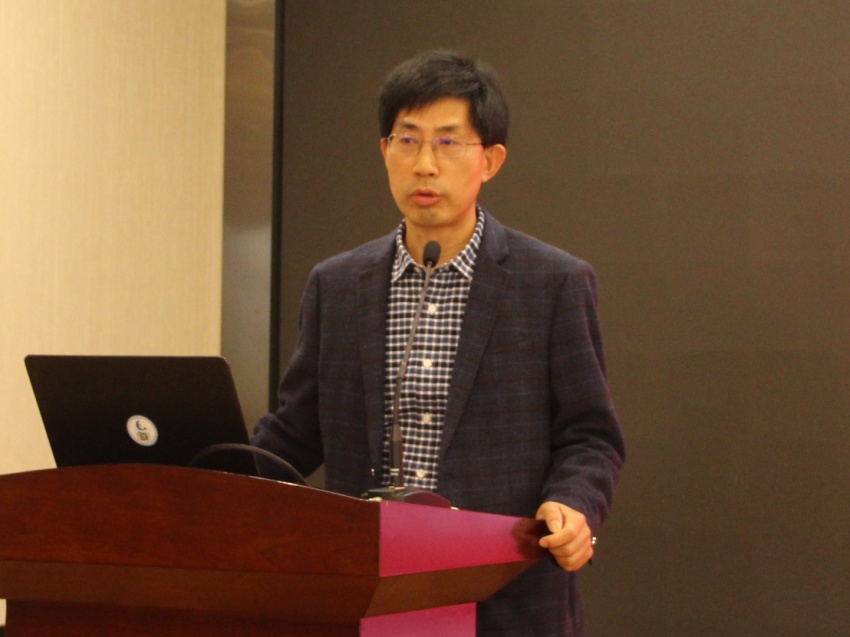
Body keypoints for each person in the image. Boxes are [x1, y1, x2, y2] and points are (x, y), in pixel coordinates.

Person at [252, 49, 625, 636]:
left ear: (490, 160)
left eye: (448, 143)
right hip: (367, 594)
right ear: (385, 151)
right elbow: (295, 435)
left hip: (504, 596)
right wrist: (205, 479)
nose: (424, 165)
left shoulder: (552, 282)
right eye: (407, 141)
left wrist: (574, 504)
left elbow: (590, 435)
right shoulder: (338, 284)